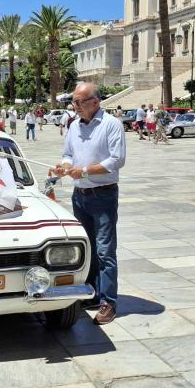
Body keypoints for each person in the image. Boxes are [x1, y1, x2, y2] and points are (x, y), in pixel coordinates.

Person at [54, 83, 126, 325]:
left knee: (105, 250)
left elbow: (117, 160)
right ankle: (93, 292)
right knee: (88, 248)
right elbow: (68, 154)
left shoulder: (111, 124)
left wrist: (84, 171)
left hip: (103, 195)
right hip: (80, 195)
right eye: (73, 102)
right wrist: (65, 167)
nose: (74, 106)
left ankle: (108, 302)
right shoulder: (74, 125)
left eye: (78, 102)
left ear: (95, 102)